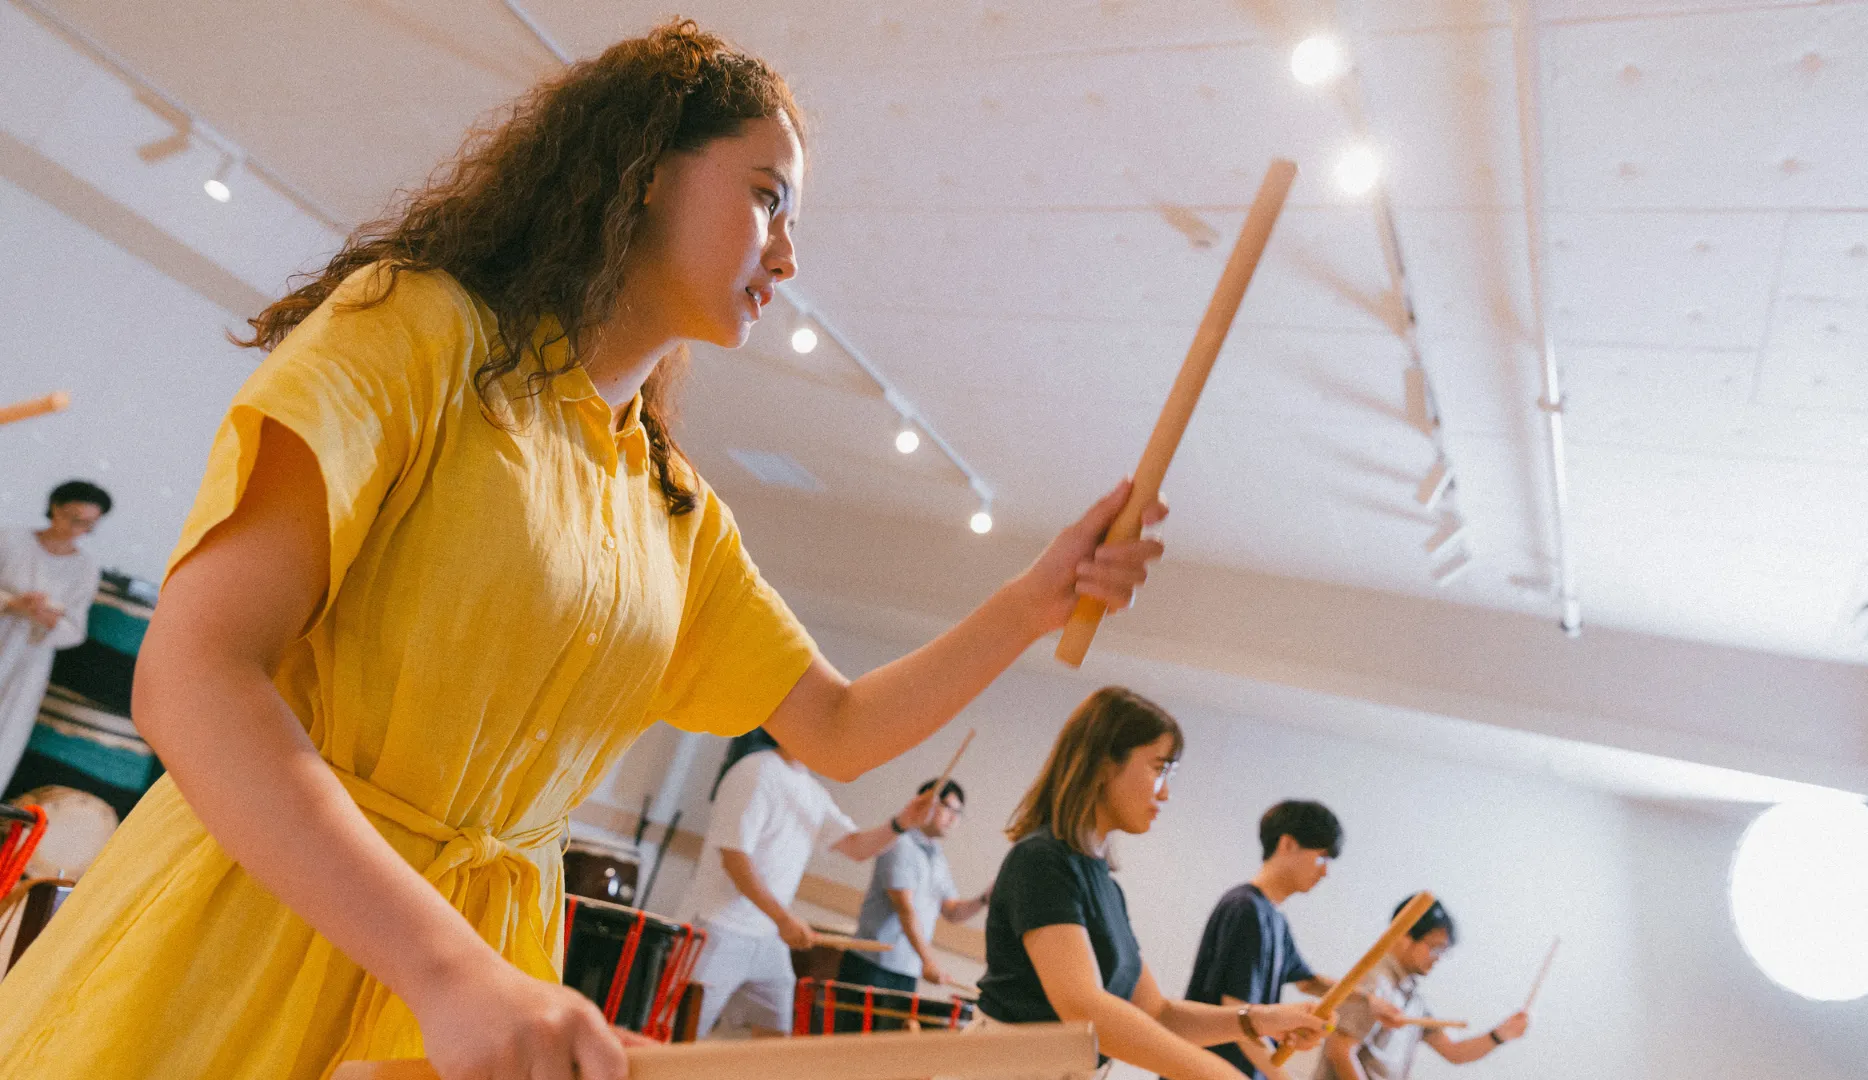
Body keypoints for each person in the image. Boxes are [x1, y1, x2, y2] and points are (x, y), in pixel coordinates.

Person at [0, 21, 1168, 1080]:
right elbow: (193, 672)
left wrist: (1032, 599)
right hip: (265, 928)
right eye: (769, 198)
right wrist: (446, 969)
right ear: (646, 169)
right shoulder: (416, 327)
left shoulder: (670, 507)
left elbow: (839, 726)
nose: (789, 256)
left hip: (485, 996)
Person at [978, 688, 1328, 1080]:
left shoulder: (1105, 886)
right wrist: (1218, 1074)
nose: (1165, 792)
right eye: (1158, 769)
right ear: (1103, 765)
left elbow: (1158, 1013)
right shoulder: (1042, 861)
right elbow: (1084, 1009)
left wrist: (1263, 1020)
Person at [685, 733, 934, 1037]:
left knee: (776, 1045)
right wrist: (783, 918)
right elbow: (735, 858)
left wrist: (902, 822)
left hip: (768, 938)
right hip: (721, 928)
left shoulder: (813, 793)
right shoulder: (754, 771)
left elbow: (856, 847)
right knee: (679, 1035)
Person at [1177, 800, 1405, 1078]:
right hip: (1211, 1070)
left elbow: (1309, 982)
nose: (1325, 871)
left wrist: (1369, 1001)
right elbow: (1237, 1010)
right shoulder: (1246, 910)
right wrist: (1281, 1076)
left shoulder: (1274, 919)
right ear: (1287, 844)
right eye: (1321, 857)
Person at [1316, 898, 1530, 1080]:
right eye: (1435, 948)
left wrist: (1501, 1034)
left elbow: (1453, 1052)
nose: (1438, 958)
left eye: (1443, 952)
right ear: (1403, 936)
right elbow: (1339, 1051)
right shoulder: (1374, 984)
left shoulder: (1411, 997)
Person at [835, 777, 989, 1027]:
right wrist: (929, 961)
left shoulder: (937, 857)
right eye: (948, 808)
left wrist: (984, 899)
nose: (953, 818)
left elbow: (952, 912)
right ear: (926, 804)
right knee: (851, 1049)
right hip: (872, 966)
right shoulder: (900, 843)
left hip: (906, 972)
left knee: (885, 1055)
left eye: (959, 813)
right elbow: (905, 910)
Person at [0, 481, 110, 791]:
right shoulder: (10, 539)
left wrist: (49, 622)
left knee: (5, 727)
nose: (79, 530)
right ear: (55, 508)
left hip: (28, 659)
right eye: (75, 519)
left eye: (89, 524)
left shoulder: (85, 567)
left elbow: (75, 630)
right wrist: (12, 604)